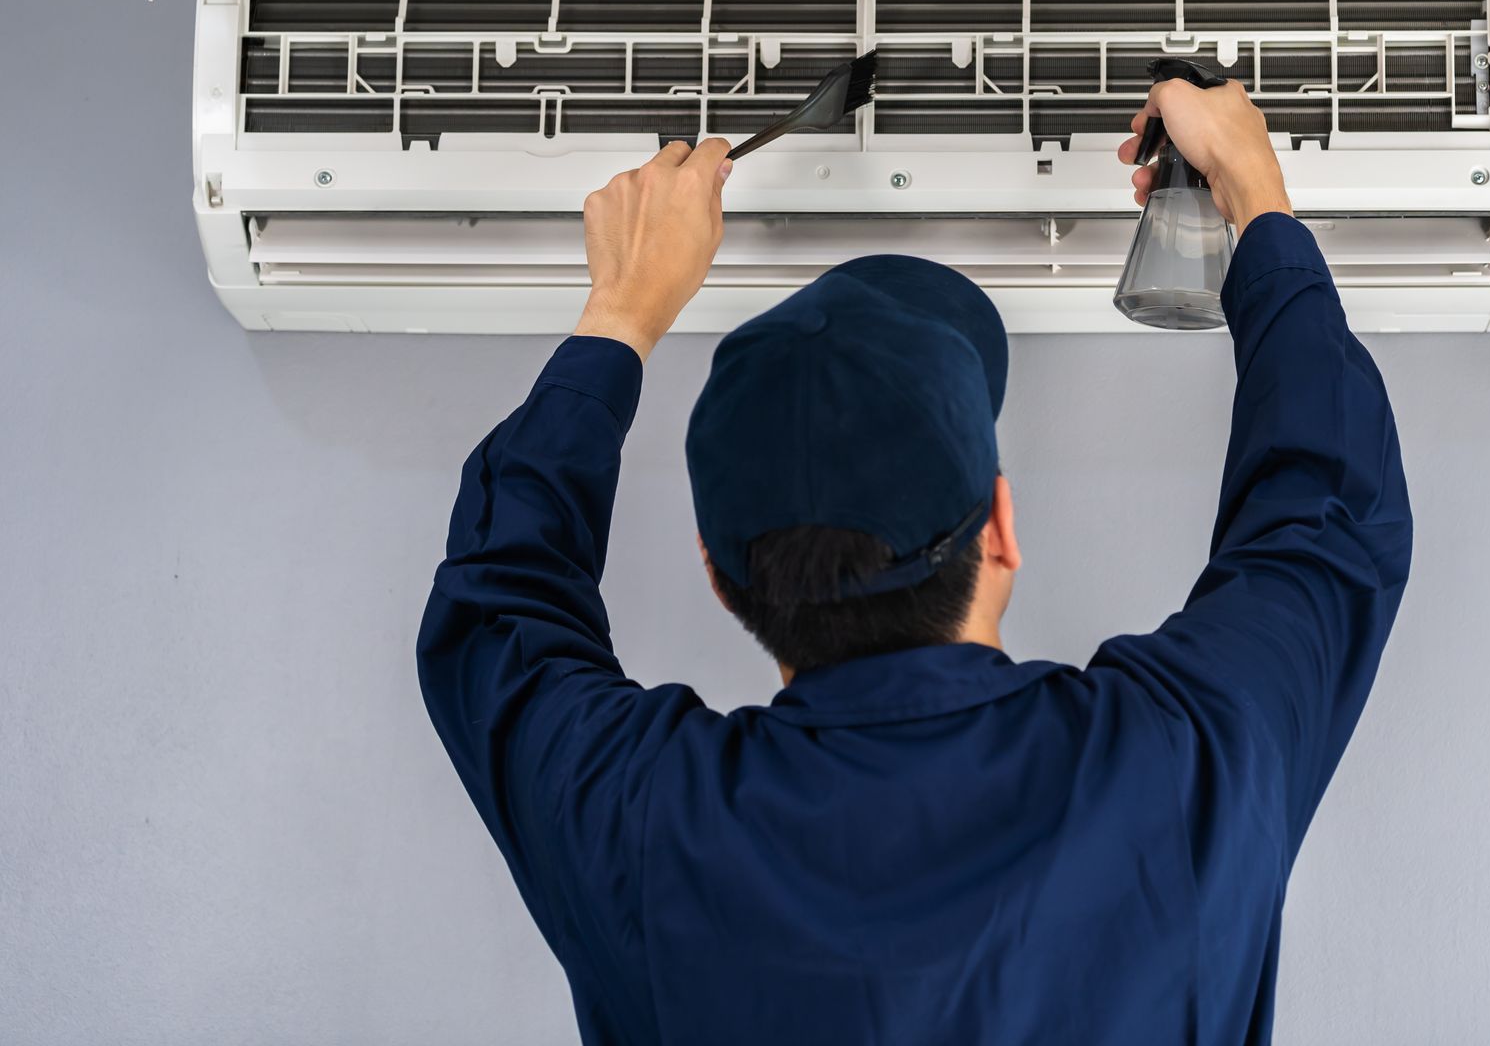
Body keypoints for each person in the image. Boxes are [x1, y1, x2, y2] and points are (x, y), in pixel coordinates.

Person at [418, 78, 1413, 1045]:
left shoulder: (635, 826)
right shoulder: (1181, 758)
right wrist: (1251, 191)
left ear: (721, 577)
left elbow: (497, 600)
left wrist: (621, 315)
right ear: (1001, 530)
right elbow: (1326, 510)